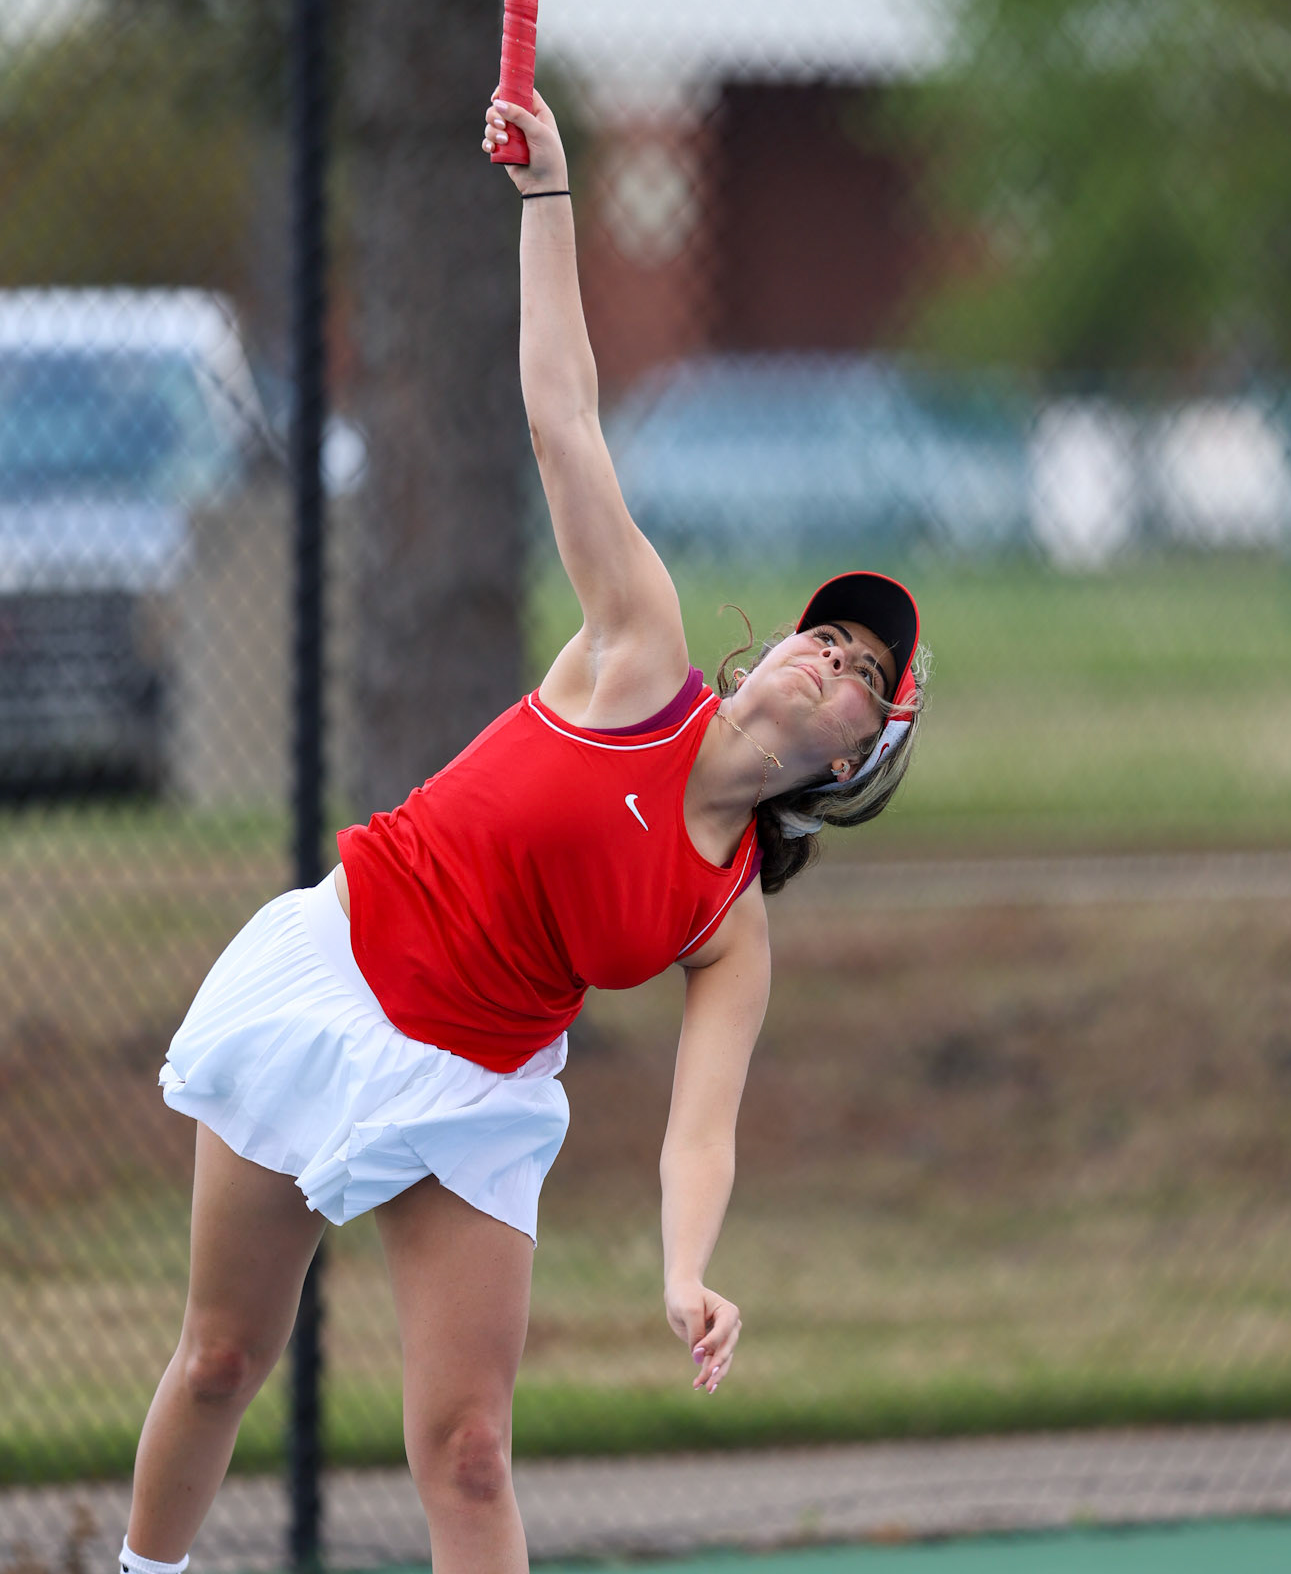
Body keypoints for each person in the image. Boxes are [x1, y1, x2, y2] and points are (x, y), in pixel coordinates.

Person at [119, 89, 927, 1574]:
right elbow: (560, 415)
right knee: (224, 1359)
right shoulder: (637, 650)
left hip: (480, 1091)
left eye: (867, 681)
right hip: (337, 977)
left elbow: (699, 1131)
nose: (833, 663)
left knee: (471, 1454)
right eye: (827, 640)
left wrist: (689, 1273)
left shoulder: (729, 921)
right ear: (768, 655)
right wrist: (551, 196)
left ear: (853, 756)